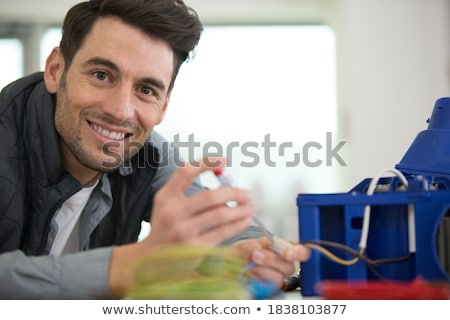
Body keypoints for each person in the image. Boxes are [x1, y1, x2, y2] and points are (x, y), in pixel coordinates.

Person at [0, 0, 310, 299]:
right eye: (101, 75)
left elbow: (219, 229)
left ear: (163, 106)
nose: (121, 110)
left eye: (146, 90)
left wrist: (249, 254)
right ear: (55, 70)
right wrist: (127, 266)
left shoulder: (152, 156)